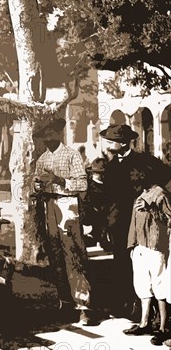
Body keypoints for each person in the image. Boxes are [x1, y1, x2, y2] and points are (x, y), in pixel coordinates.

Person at [100, 123, 171, 319]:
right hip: (119, 223)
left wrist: (156, 195)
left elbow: (166, 179)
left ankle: (155, 313)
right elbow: (107, 197)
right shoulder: (111, 165)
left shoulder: (145, 161)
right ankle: (129, 306)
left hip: (144, 222)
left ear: (123, 143)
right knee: (122, 264)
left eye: (112, 140)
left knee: (150, 265)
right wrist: (106, 224)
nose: (108, 144)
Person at [34, 118, 93, 325]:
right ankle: (64, 302)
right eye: (45, 136)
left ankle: (83, 305)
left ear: (59, 134)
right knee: (56, 256)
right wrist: (38, 187)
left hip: (68, 205)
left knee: (73, 255)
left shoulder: (71, 155)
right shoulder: (42, 158)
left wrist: (59, 180)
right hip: (48, 205)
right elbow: (36, 183)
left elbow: (82, 184)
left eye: (52, 134)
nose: (48, 139)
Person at [123, 179, 171, 346]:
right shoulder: (140, 194)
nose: (133, 177)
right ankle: (144, 323)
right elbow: (133, 221)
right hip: (140, 247)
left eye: (136, 173)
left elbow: (169, 218)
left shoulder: (160, 195)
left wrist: (151, 208)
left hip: (156, 247)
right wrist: (132, 245)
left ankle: (163, 327)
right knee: (143, 286)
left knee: (160, 287)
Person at [80, 158, 112, 250]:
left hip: (104, 213)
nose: (100, 176)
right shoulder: (88, 186)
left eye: (102, 174)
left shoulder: (107, 186)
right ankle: (99, 238)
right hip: (91, 214)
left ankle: (102, 239)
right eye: (97, 173)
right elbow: (85, 202)